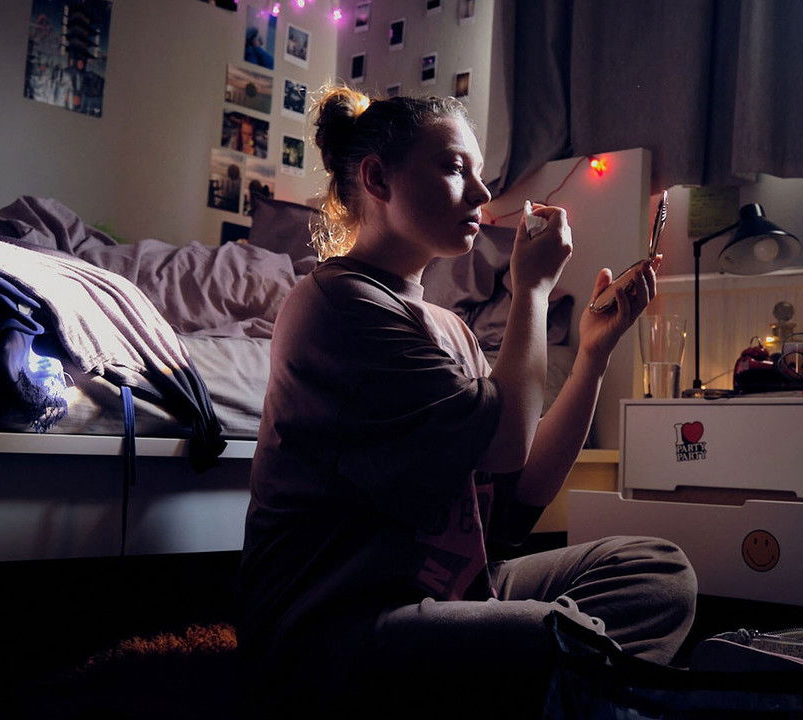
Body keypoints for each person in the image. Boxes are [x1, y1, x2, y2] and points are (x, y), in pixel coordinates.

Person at [236, 87, 697, 718]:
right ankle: (579, 684)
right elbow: (506, 442)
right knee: (559, 636)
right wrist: (530, 291)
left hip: (451, 590)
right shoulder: (337, 304)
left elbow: (521, 491)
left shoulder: (450, 327)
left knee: (658, 571)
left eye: (479, 172)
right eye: (455, 168)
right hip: (340, 627)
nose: (482, 194)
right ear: (378, 179)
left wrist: (593, 354)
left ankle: (568, 683)